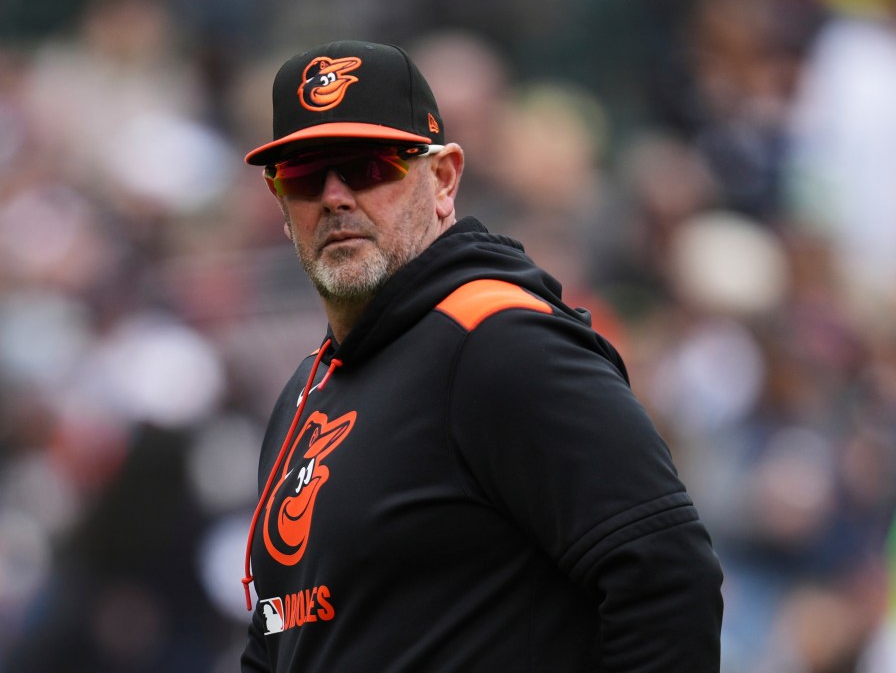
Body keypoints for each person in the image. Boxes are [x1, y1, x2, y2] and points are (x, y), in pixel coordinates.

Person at [239, 39, 724, 672]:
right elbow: (277, 644)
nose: (334, 197)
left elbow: (666, 578)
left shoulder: (501, 343)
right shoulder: (306, 391)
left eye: (368, 166)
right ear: (280, 205)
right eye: (303, 174)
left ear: (442, 179)